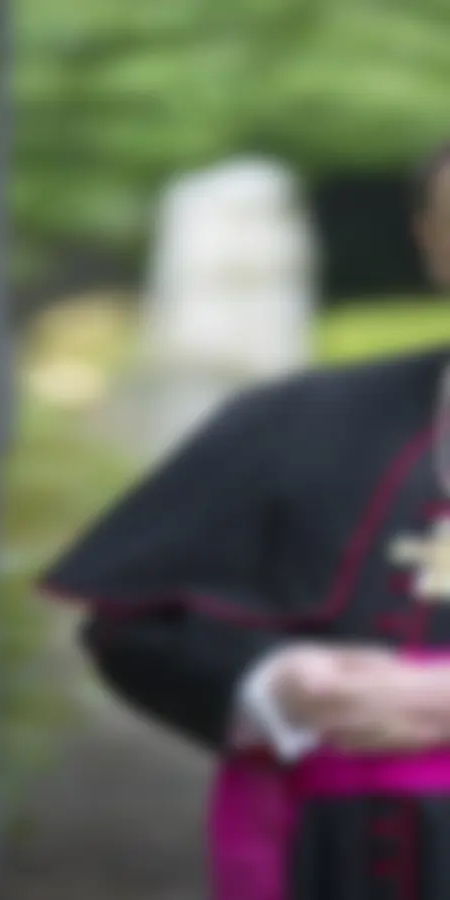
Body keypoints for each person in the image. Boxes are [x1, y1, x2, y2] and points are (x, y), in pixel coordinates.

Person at [41, 141, 450, 900]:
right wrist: (274, 684)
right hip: (335, 861)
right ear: (430, 241)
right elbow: (138, 623)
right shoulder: (300, 420)